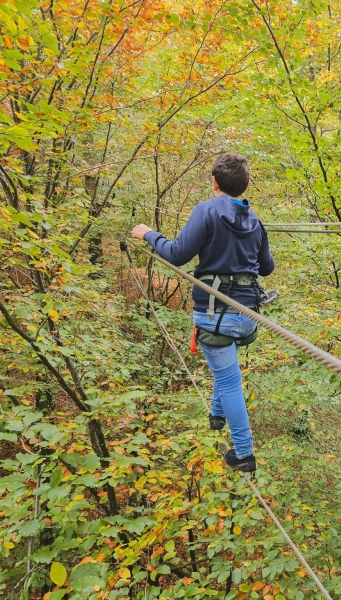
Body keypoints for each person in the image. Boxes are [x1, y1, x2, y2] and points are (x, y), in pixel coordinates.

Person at [131, 152, 274, 472]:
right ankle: (217, 415)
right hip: (245, 318)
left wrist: (147, 234)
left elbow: (178, 254)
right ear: (244, 185)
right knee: (226, 369)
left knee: (229, 380)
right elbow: (267, 267)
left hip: (215, 315)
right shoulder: (255, 220)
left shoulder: (206, 211)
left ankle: (244, 453)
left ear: (214, 183)